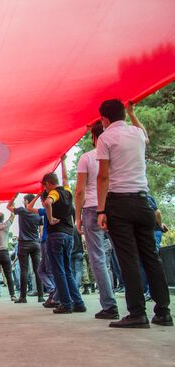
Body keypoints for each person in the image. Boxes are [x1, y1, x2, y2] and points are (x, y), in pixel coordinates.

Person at [96, 100, 171, 327]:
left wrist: (101, 209)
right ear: (124, 115)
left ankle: (137, 313)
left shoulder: (105, 138)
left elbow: (103, 177)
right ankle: (163, 312)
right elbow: (145, 135)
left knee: (128, 260)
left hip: (119, 203)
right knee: (152, 258)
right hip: (143, 202)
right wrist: (133, 114)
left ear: (104, 119)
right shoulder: (137, 134)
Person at [74, 120, 119, 319]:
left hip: (92, 208)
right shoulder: (117, 153)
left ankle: (109, 305)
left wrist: (78, 217)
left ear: (94, 137)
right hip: (116, 205)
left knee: (98, 258)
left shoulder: (87, 158)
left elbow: (79, 191)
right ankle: (139, 303)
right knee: (125, 255)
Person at [42, 170, 86, 314]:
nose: (45, 189)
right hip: (69, 236)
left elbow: (47, 203)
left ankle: (66, 304)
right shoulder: (67, 191)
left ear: (49, 184)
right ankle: (78, 303)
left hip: (56, 235)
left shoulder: (54, 193)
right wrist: (63, 161)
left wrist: (49, 219)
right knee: (67, 271)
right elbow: (66, 178)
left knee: (58, 271)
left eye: (45, 186)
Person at [7, 193, 44, 303]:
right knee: (37, 270)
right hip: (36, 243)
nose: (23, 202)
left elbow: (8, 207)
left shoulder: (22, 211)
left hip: (23, 243)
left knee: (24, 270)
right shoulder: (38, 213)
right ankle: (40, 296)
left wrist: (14, 196)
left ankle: (23, 297)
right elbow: (41, 230)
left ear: (27, 201)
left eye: (24, 200)